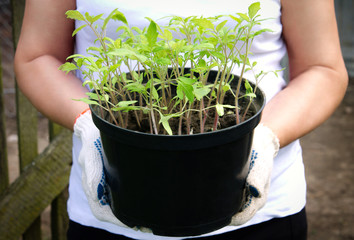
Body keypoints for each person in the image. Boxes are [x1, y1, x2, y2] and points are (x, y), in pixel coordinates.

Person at [14, 0, 348, 239]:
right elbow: (37, 56)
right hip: (112, 207)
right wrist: (90, 123)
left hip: (264, 213)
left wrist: (265, 139)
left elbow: (323, 69)